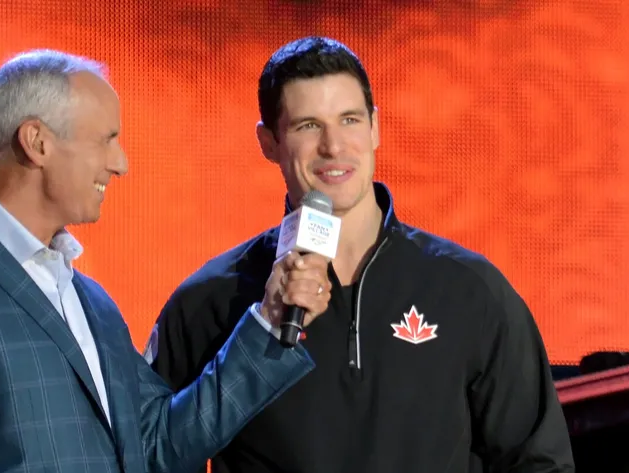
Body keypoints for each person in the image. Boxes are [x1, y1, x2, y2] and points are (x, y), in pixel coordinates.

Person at [0, 49, 334, 473]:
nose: (121, 163)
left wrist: (271, 321)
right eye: (104, 140)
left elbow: (159, 446)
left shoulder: (93, 304)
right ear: (37, 142)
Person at [146, 36, 575, 473]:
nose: (334, 146)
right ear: (268, 142)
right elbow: (150, 454)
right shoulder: (211, 300)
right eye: (307, 126)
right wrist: (258, 331)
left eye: (349, 119)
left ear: (374, 128)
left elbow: (539, 461)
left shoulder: (468, 289)